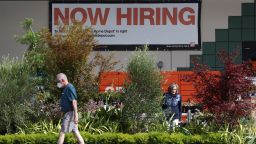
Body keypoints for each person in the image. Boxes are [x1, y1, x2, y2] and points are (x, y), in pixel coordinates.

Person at [56, 73, 84, 144]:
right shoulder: (65, 89)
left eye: (58, 82)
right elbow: (65, 104)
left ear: (62, 80)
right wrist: (60, 113)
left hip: (70, 114)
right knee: (75, 131)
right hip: (69, 113)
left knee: (62, 132)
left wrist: (76, 115)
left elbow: (74, 102)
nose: (57, 84)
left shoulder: (69, 87)